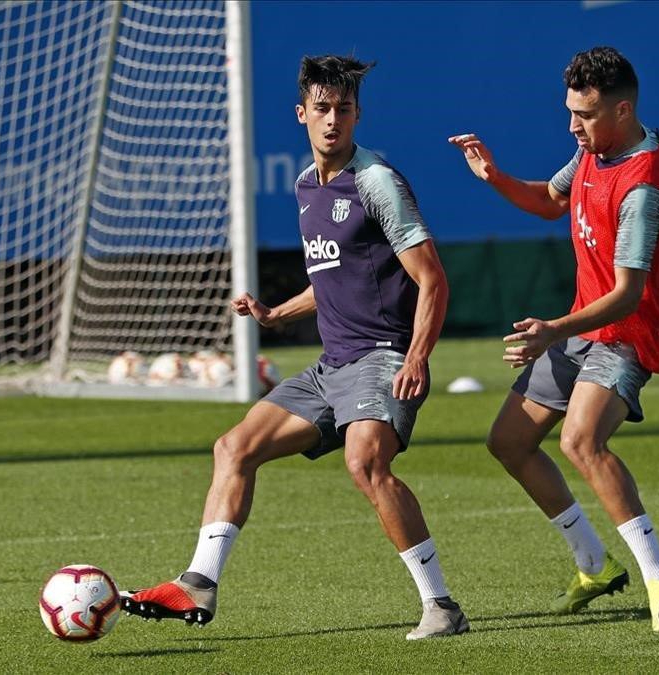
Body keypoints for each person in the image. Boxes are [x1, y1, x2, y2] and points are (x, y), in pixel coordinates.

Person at [120, 55, 466, 640]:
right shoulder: (306, 185)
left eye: (345, 109)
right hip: (332, 365)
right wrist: (279, 312)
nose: (334, 120)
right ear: (301, 114)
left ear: (358, 115)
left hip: (382, 356)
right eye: (323, 109)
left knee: (366, 464)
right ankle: (198, 583)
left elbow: (432, 279)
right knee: (233, 447)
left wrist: (416, 357)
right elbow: (335, 275)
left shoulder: (375, 181)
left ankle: (441, 606)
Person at [449, 46, 659, 632]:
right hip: (583, 323)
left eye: (583, 115)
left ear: (623, 111)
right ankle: (593, 563)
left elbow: (630, 294)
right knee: (508, 441)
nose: (572, 125)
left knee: (582, 441)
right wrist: (496, 177)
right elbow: (550, 202)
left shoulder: (643, 185)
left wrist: (553, 330)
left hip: (627, 333)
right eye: (570, 112)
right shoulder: (595, 149)